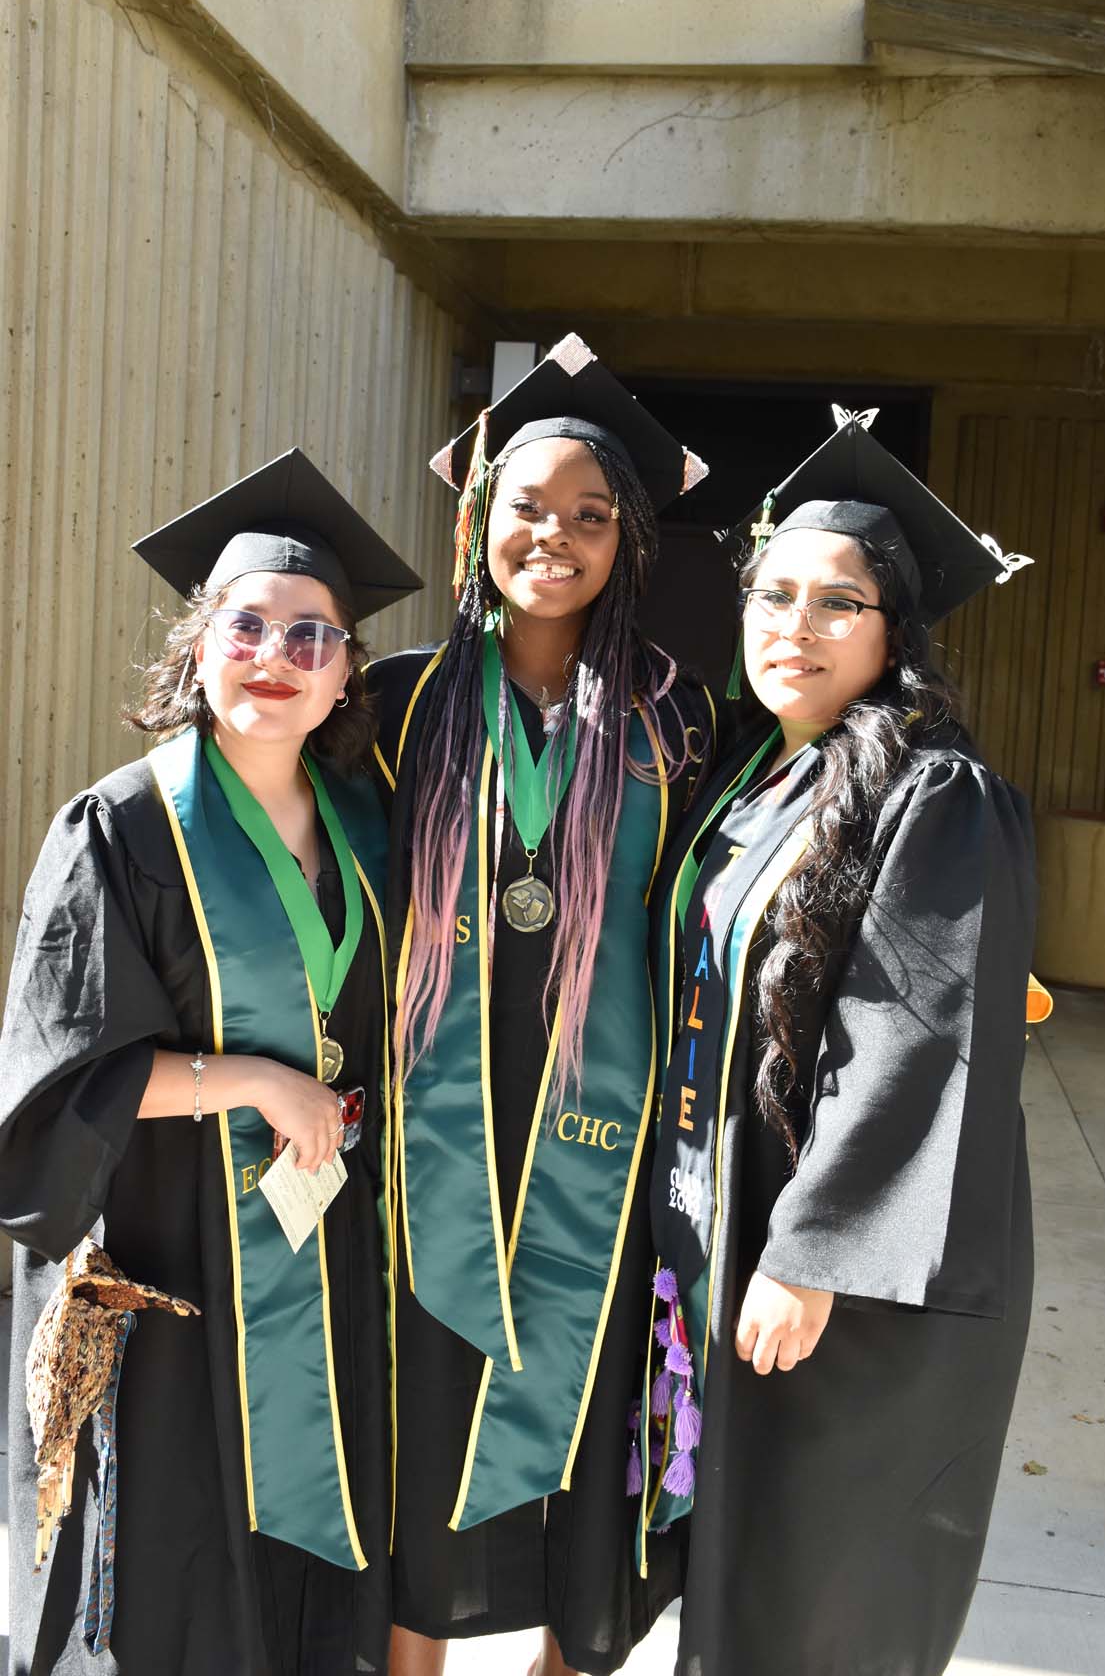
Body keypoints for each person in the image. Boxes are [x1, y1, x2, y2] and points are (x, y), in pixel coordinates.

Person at [0, 450, 420, 1676]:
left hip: (322, 1239)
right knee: (176, 1555)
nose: (276, 658)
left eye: (314, 638)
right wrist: (256, 1083)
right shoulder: (119, 829)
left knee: (308, 1530)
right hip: (168, 1252)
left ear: (347, 675)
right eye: (247, 626)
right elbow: (58, 1076)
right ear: (196, 645)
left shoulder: (367, 829)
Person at [639, 409, 1039, 1676]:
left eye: (837, 604)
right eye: (775, 596)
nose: (793, 628)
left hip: (853, 1279)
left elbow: (917, 1040)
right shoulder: (759, 774)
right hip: (733, 1229)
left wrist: (811, 1253)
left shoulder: (940, 794)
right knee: (742, 1567)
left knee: (820, 1588)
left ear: (893, 631)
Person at [370, 336, 715, 1676]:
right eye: (526, 507)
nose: (554, 538)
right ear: (478, 522)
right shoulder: (395, 704)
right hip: (427, 1137)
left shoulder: (677, 721)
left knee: (584, 1425)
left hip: (599, 1142)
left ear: (628, 540)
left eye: (590, 516)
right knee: (427, 1413)